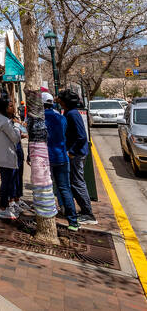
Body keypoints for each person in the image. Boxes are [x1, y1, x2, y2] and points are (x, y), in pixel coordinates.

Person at [59, 90, 98, 225]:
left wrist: (72, 151)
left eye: (61, 99)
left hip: (77, 154)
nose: (58, 102)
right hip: (77, 152)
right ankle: (85, 210)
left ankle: (88, 213)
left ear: (65, 102)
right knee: (76, 181)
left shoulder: (72, 114)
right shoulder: (70, 113)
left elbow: (82, 136)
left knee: (77, 182)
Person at [43, 92, 79, 231]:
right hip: (62, 156)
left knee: (46, 187)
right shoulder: (61, 117)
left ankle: (48, 213)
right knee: (65, 188)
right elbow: (66, 134)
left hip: (45, 157)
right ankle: (73, 221)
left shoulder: (39, 119)